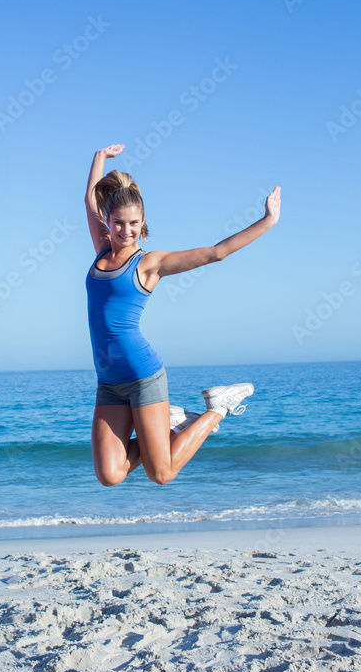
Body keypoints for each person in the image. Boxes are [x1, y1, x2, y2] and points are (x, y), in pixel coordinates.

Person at [84, 143, 281, 487]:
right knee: (109, 475)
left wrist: (267, 221)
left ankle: (217, 408)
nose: (126, 231)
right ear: (108, 220)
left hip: (143, 375)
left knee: (161, 473)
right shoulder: (102, 248)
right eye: (119, 224)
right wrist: (99, 157)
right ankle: (170, 423)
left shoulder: (149, 263)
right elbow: (90, 201)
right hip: (109, 382)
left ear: (143, 222)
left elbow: (216, 253)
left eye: (134, 223)